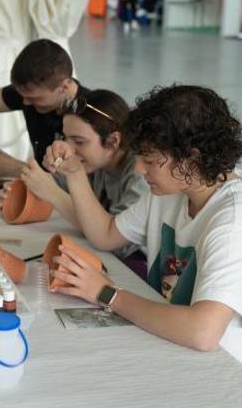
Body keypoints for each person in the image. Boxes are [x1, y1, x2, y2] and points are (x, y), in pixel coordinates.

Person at [46, 84, 242, 382]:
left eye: (149, 159)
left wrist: (106, 292)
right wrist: (74, 173)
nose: (141, 170)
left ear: (190, 158)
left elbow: (202, 332)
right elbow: (105, 234)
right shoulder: (175, 191)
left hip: (233, 380)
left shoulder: (237, 223)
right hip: (179, 352)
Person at [17, 89, 149, 275]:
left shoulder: (142, 173)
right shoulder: (99, 161)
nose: (70, 148)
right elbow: (58, 184)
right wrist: (50, 173)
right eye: (65, 137)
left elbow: (120, 244)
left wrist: (53, 193)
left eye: (79, 141)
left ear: (113, 141)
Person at [0, 39, 87, 177]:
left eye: (34, 98)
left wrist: (19, 169)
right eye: (23, 96)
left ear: (64, 87)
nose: (25, 102)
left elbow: (80, 185)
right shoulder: (30, 92)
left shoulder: (90, 116)